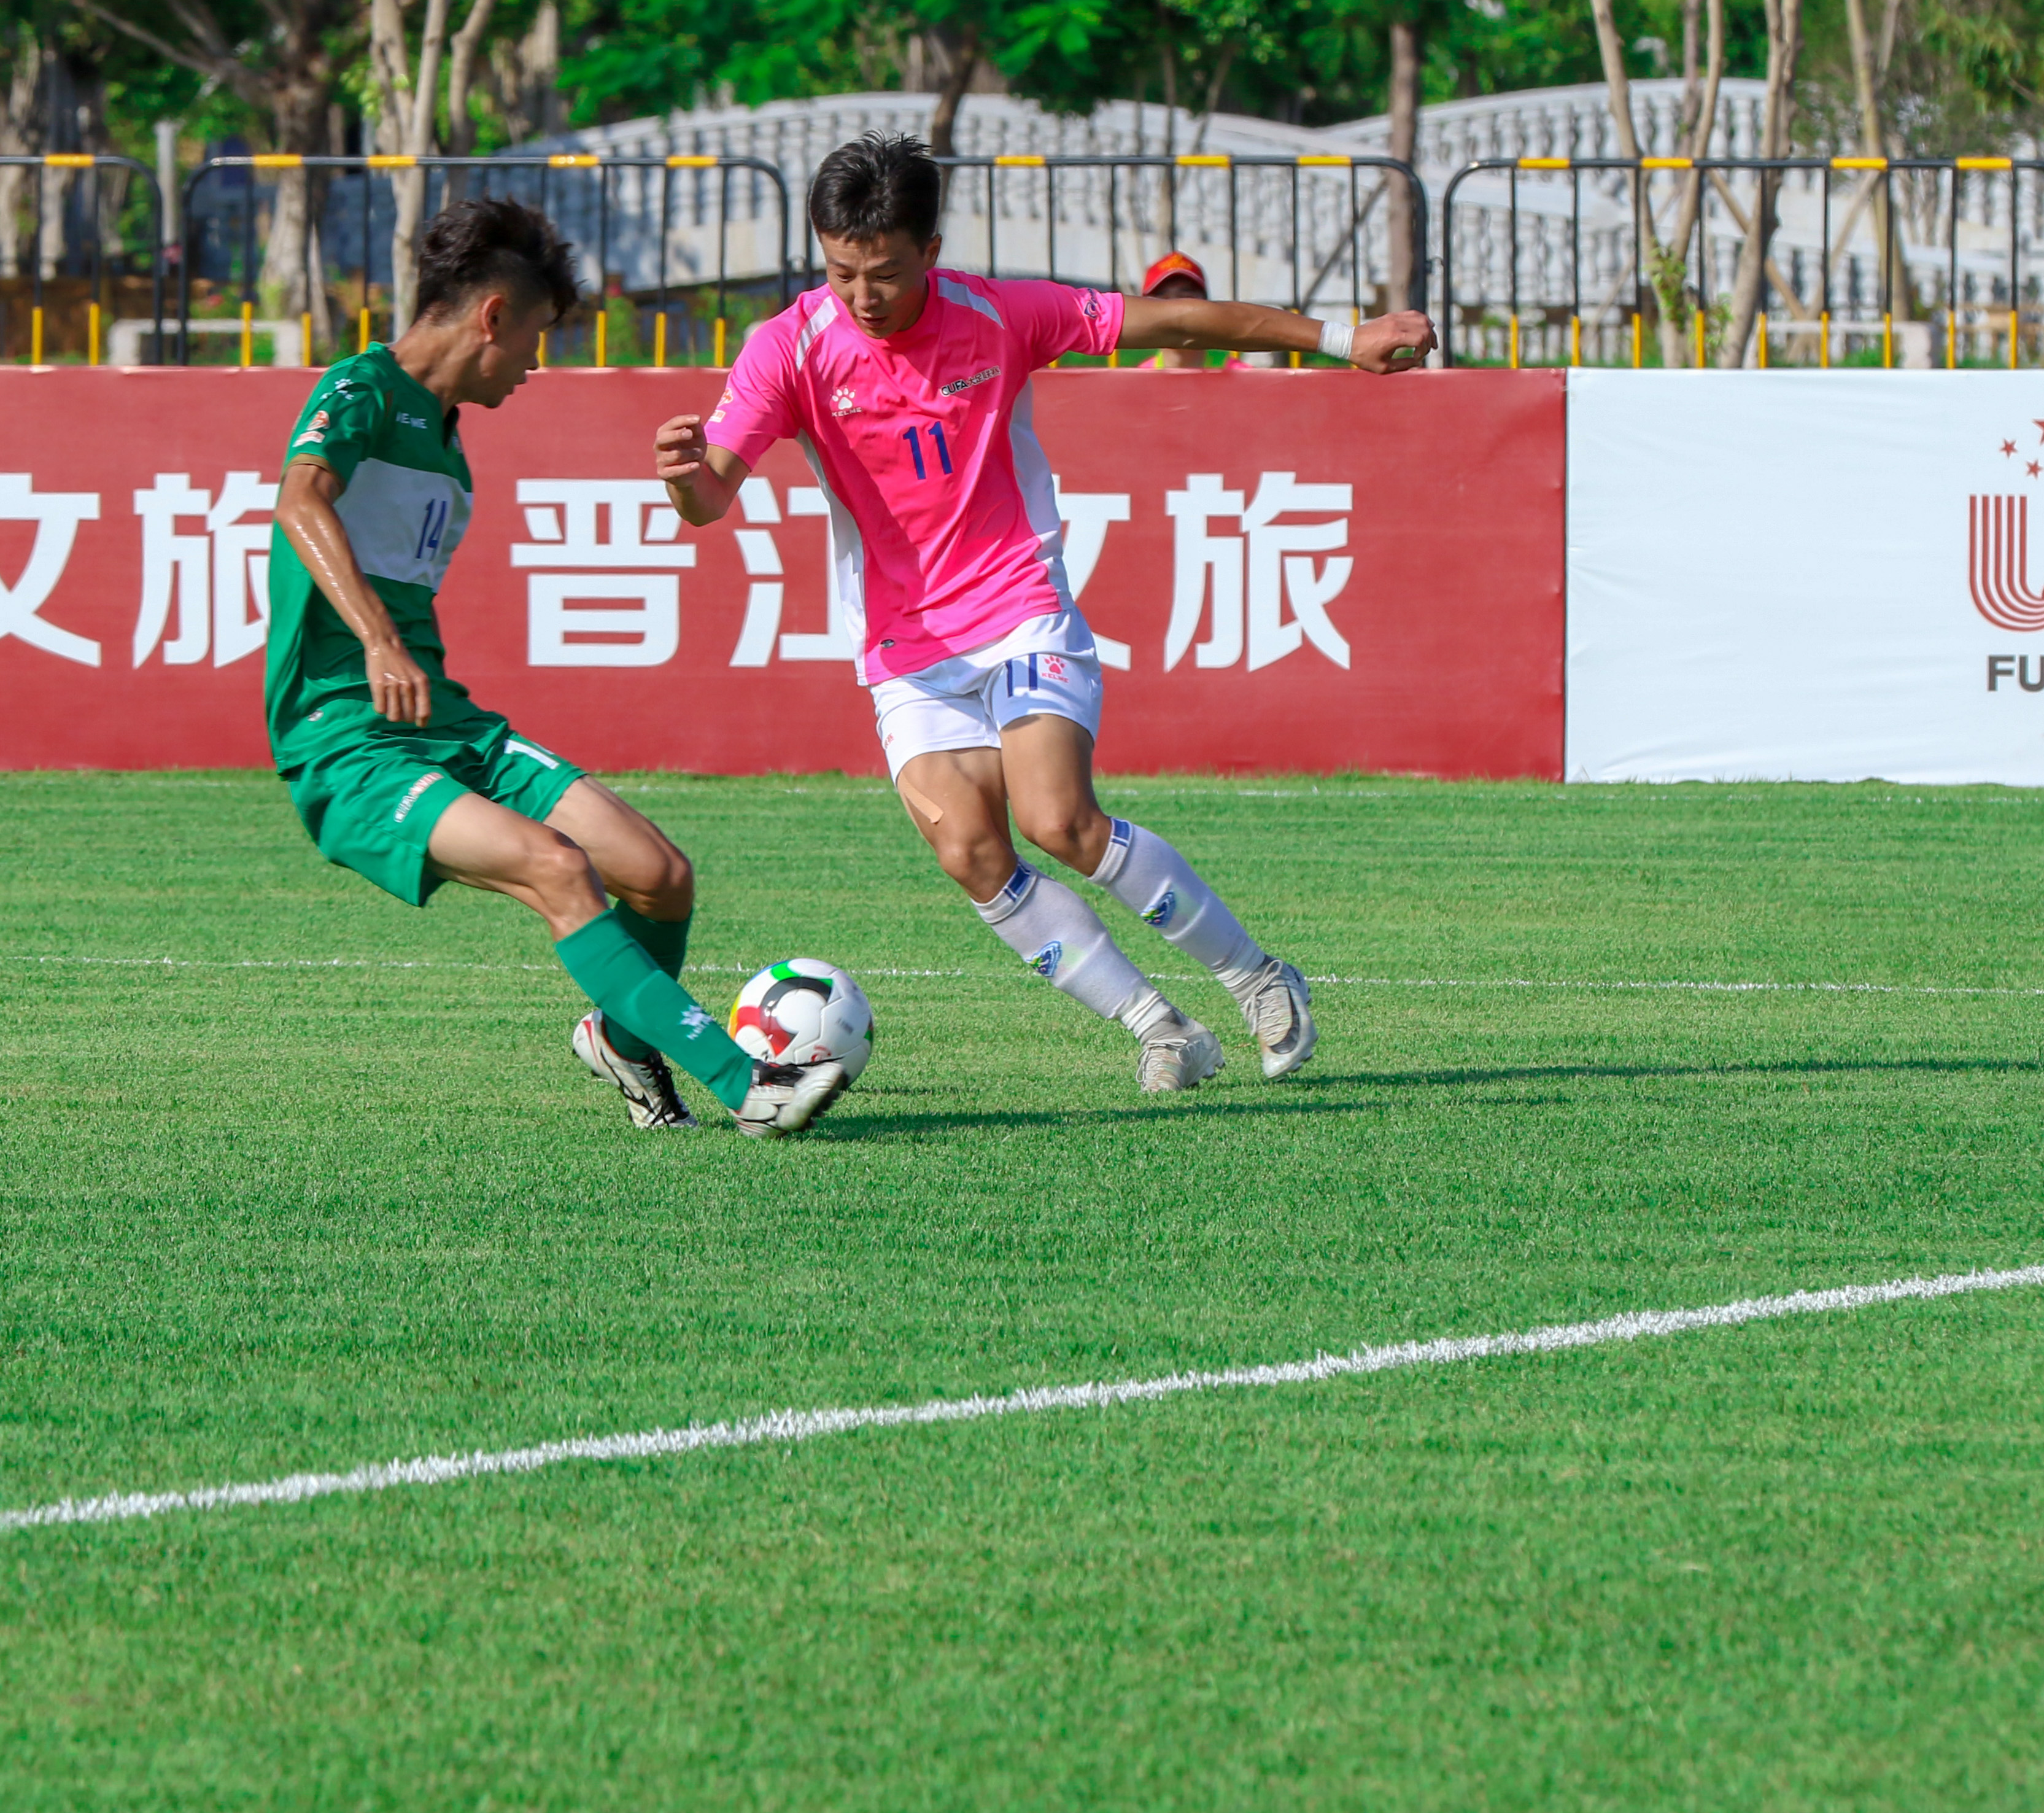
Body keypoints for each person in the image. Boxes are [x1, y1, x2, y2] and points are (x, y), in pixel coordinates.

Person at [654, 132, 1436, 1095]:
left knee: (1058, 820)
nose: (862, 296)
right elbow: (710, 498)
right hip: (905, 649)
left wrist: (1342, 339)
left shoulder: (1000, 315)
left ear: (931, 252)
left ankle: (1259, 978)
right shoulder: (789, 347)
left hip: (1019, 606)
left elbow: (1175, 322)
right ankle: (1164, 1031)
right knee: (969, 851)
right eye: (841, 271)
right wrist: (683, 479)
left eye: (886, 274)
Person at [268, 195, 849, 1138]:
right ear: (492, 316)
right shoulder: (361, 388)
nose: (536, 365)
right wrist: (377, 640)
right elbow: (301, 500)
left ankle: (621, 1039)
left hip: (443, 723)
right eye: (536, 338)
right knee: (557, 868)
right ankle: (750, 1087)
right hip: (347, 742)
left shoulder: (446, 436)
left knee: (659, 873)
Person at [1134, 253, 1228, 370]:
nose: (1175, 312)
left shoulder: (1238, 374)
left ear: (1206, 305)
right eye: (1163, 299)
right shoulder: (1140, 377)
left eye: (1186, 298)